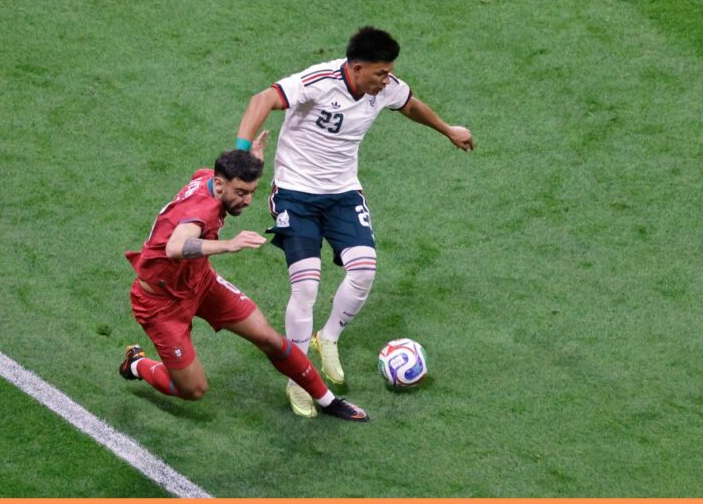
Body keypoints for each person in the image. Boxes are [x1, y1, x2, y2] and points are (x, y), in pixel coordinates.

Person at [235, 26, 473, 417]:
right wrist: (241, 152)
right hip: (296, 192)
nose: (387, 80)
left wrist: (447, 130)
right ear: (357, 67)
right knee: (307, 283)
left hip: (343, 193)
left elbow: (410, 104)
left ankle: (326, 338)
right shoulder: (319, 81)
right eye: (380, 73)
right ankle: (298, 377)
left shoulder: (386, 87)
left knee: (364, 271)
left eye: (389, 72)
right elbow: (262, 98)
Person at [119, 131, 368, 421]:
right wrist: (228, 244)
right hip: (161, 304)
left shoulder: (208, 179)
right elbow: (175, 247)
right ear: (221, 184)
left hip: (201, 282)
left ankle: (328, 401)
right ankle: (136, 363)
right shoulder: (203, 209)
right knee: (194, 389)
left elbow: (217, 175)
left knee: (270, 339)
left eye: (251, 191)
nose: (248, 200)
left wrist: (254, 159)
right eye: (241, 193)